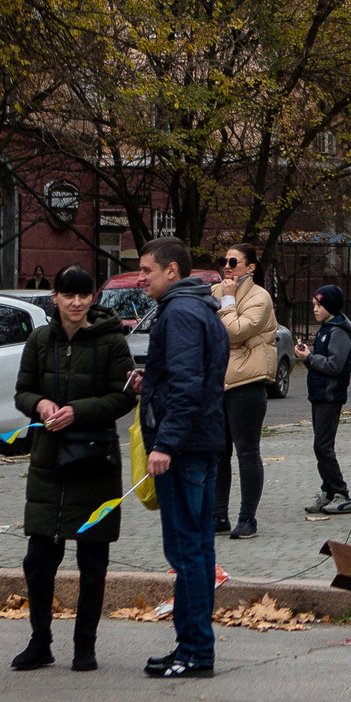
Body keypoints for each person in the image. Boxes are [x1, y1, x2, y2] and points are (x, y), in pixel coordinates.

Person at [11, 265, 135, 672]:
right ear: (56, 297)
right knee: (39, 559)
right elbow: (23, 390)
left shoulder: (112, 342)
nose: (77, 303)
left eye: (84, 296)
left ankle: (85, 645)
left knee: (93, 561)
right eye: (69, 295)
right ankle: (40, 641)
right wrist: (40, 405)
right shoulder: (39, 340)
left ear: (92, 299)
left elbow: (122, 399)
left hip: (94, 462)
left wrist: (76, 413)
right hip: (48, 462)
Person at [136, 237, 228, 678]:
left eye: (147, 270)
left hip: (185, 449)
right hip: (202, 443)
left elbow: (188, 385)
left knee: (188, 550)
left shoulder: (181, 314)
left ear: (172, 271)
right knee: (199, 549)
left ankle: (194, 651)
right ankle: (192, 646)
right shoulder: (200, 310)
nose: (141, 278)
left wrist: (164, 444)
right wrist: (149, 381)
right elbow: (190, 377)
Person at [212, 244, 278, 540]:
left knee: (247, 452)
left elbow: (235, 331)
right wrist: (229, 333)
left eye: (234, 261)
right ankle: (217, 516)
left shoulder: (259, 297)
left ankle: (247, 518)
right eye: (224, 261)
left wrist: (227, 303)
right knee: (218, 452)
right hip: (218, 383)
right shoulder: (213, 292)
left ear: (250, 267)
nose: (227, 266)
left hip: (247, 384)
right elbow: (212, 333)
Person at [296, 284, 351, 515]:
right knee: (321, 446)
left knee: (323, 446)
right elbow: (320, 361)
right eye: (314, 304)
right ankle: (328, 490)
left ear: (330, 306)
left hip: (330, 395)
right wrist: (307, 356)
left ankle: (342, 494)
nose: (314, 309)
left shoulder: (339, 332)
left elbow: (334, 366)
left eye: (319, 305)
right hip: (319, 394)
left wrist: (309, 357)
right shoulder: (326, 329)